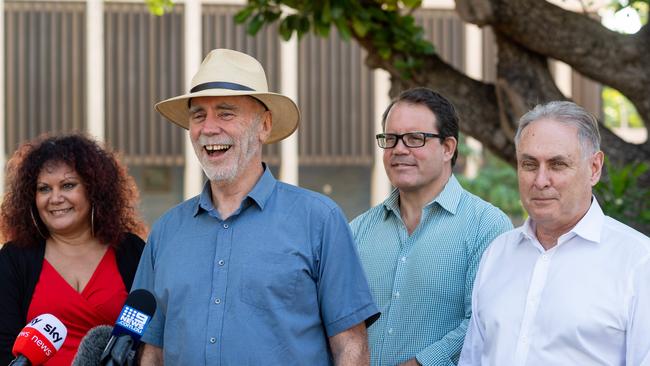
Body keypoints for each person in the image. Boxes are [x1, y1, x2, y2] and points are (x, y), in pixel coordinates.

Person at [132, 48, 379, 365]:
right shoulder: (166, 231)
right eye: (198, 116)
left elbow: (350, 345)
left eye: (225, 113)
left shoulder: (319, 220)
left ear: (264, 125)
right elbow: (152, 351)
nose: (208, 128)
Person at [459, 101, 650, 365]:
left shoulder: (639, 261)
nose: (540, 180)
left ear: (594, 168)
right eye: (528, 164)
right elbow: (473, 359)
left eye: (557, 164)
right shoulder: (497, 253)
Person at [350, 87, 512, 366]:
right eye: (391, 139)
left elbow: (485, 321)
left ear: (448, 147)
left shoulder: (487, 227)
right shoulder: (358, 231)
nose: (399, 149)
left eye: (415, 139)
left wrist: (421, 363)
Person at [0, 134, 147, 366]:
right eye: (44, 189)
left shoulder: (131, 251)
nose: (56, 198)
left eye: (68, 185)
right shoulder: (14, 258)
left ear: (93, 189)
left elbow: (148, 340)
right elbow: (4, 346)